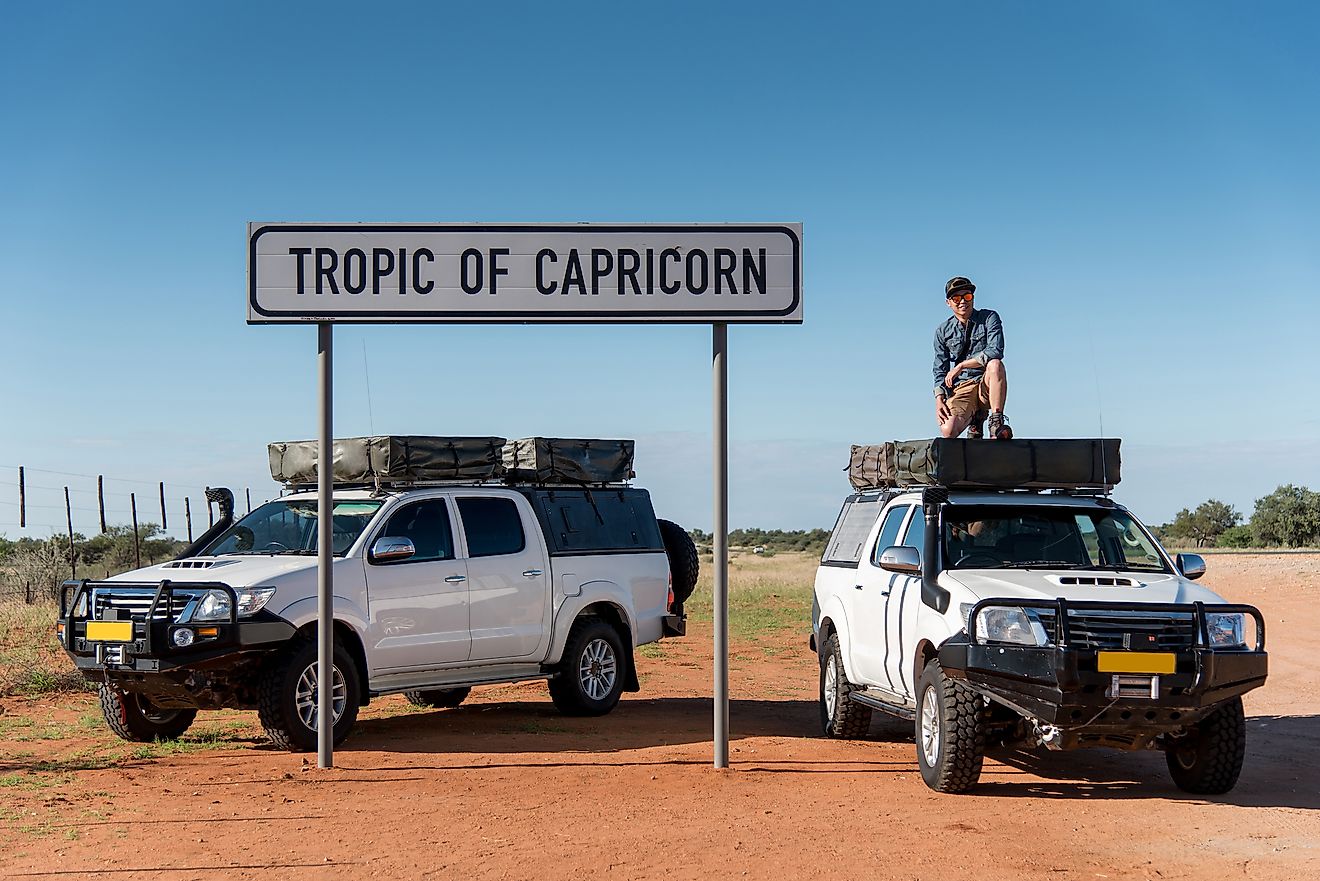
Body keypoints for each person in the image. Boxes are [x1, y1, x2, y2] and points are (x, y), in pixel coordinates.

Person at [933, 276, 1012, 440]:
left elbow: (995, 350)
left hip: (986, 382)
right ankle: (976, 418)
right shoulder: (942, 331)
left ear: (973, 297)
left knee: (996, 365)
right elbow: (940, 368)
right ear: (948, 302)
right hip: (962, 387)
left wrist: (961, 366)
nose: (962, 301)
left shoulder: (989, 317)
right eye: (956, 298)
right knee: (948, 430)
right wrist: (939, 398)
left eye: (967, 296)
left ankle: (996, 421)